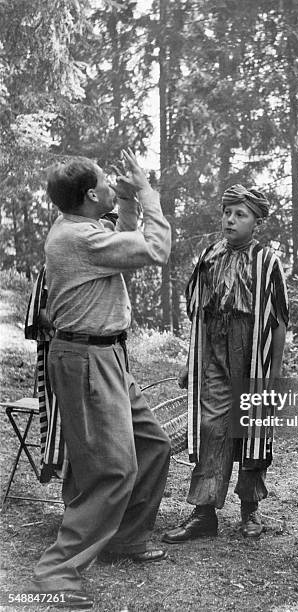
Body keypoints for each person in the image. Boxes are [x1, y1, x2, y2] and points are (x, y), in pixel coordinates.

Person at [31, 150, 172, 609]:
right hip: (87, 359)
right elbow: (155, 249)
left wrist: (128, 202)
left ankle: (125, 537)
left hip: (104, 355)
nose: (114, 181)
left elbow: (119, 240)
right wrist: (148, 194)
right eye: (106, 181)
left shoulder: (81, 230)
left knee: (151, 444)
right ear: (92, 196)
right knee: (113, 469)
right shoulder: (79, 239)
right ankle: (57, 572)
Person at [163, 184, 288, 543]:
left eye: (241, 214)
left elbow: (278, 322)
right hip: (215, 351)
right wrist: (191, 361)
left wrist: (273, 374)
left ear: (257, 222)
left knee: (250, 428)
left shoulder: (267, 263)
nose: (231, 220)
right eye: (227, 212)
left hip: (251, 354)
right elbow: (199, 317)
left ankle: (250, 509)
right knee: (212, 426)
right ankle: (204, 512)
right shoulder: (210, 256)